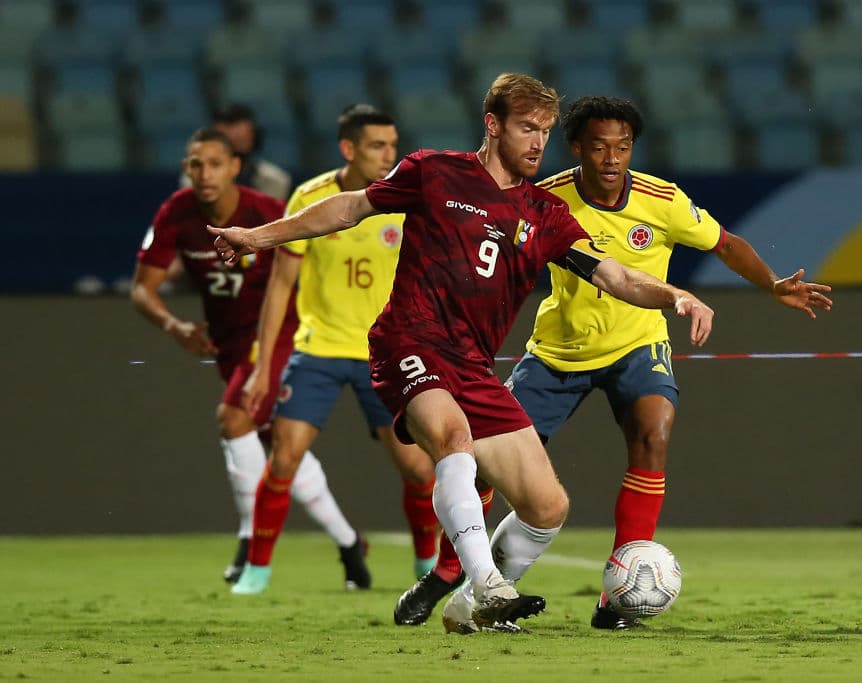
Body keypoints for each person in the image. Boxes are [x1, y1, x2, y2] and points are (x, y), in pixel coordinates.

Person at [208, 73, 715, 634]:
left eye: (545, 131)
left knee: (548, 507)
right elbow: (349, 207)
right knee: (454, 439)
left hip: (473, 364)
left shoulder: (545, 214)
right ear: (493, 125)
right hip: (411, 339)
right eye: (527, 128)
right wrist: (256, 237)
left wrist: (674, 294)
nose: (537, 143)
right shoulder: (433, 171)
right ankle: (487, 587)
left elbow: (615, 275)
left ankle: (464, 606)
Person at [506, 96, 834, 629]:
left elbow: (725, 245)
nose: (612, 158)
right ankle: (464, 576)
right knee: (492, 459)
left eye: (623, 146)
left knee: (654, 433)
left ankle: (619, 594)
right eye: (599, 146)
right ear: (577, 149)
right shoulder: (544, 198)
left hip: (639, 342)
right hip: (558, 349)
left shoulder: (663, 199)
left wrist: (772, 284)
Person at [131, 127, 366, 587]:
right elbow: (143, 287)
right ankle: (349, 543)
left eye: (215, 163)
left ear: (236, 167)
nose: (204, 173)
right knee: (276, 446)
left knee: (233, 420)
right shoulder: (176, 213)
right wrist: (175, 326)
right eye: (195, 164)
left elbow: (306, 263)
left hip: (277, 335)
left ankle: (247, 541)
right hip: (228, 343)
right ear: (185, 169)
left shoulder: (265, 212)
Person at [230, 104, 446, 594]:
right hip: (320, 350)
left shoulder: (406, 199)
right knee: (284, 457)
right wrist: (264, 367)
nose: (389, 155)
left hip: (385, 352)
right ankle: (256, 571)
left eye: (393, 145)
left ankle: (425, 562)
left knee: (418, 467)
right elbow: (281, 286)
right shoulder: (311, 198)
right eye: (377, 146)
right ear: (348, 149)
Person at [179, 103, 292, 201]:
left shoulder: (276, 181)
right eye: (227, 141)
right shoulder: (194, 180)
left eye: (240, 139)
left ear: (255, 137)